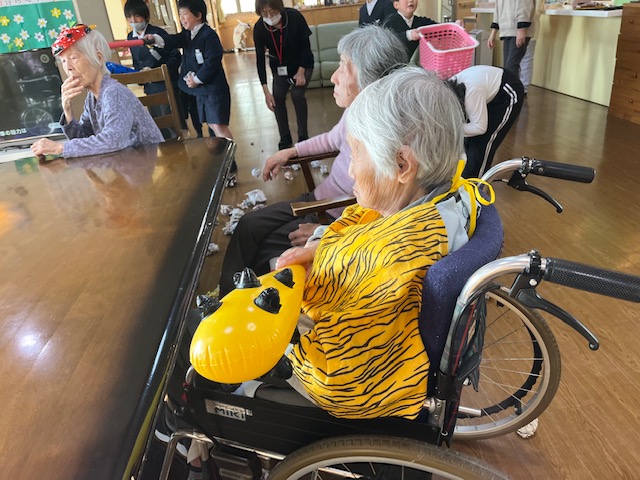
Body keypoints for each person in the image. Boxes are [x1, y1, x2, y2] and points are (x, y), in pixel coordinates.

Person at [273, 66, 493, 419]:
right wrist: (321, 249)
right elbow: (362, 231)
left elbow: (341, 374)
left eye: (356, 154)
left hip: (346, 382)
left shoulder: (391, 255)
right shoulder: (446, 199)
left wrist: (282, 344)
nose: (349, 170)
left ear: (402, 164)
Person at [218, 25, 408, 296]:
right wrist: (290, 152)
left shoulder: (386, 134)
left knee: (263, 253)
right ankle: (225, 301)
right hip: (319, 200)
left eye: (344, 67)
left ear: (370, 81)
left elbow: (386, 211)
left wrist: (327, 232)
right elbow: (332, 139)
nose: (334, 76)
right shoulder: (358, 111)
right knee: (248, 226)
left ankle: (238, 304)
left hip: (334, 214)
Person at [30, 24, 163, 159]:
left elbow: (113, 141)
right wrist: (67, 110)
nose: (68, 67)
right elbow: (84, 139)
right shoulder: (92, 97)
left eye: (73, 58)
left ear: (98, 58)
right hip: (126, 163)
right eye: (63, 61)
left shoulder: (114, 92)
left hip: (151, 163)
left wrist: (61, 147)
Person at [147, 0, 237, 179]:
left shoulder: (209, 35)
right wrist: (155, 39)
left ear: (198, 15)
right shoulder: (188, 34)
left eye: (184, 14)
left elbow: (213, 61)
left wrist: (196, 79)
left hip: (213, 91)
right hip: (200, 92)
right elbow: (173, 40)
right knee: (212, 126)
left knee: (218, 127)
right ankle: (221, 165)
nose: (181, 18)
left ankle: (231, 167)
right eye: (180, 15)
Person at [253, 0, 315, 150]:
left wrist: (301, 72)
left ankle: (303, 136)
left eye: (272, 12)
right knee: (277, 97)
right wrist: (266, 92)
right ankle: (285, 136)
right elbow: (260, 60)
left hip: (302, 63)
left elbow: (306, 47)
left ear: (279, 8)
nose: (269, 17)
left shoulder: (294, 17)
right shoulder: (260, 28)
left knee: (297, 95)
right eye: (264, 13)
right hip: (280, 67)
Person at [448, 65, 524, 178]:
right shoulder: (447, 92)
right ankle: (465, 176)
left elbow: (479, 128)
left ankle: (475, 182)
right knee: (467, 140)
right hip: (484, 86)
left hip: (507, 91)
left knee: (484, 142)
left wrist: (450, 129)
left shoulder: (471, 94)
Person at [124, 0, 182, 139]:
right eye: (129, 17)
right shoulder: (130, 37)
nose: (133, 21)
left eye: (137, 16)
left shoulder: (157, 33)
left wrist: (160, 72)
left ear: (145, 16)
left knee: (170, 121)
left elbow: (175, 56)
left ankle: (177, 145)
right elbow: (136, 61)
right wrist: (140, 75)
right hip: (149, 87)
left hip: (165, 85)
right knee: (156, 123)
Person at [487, 0, 535, 79]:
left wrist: (521, 29)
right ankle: (513, 86)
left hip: (518, 30)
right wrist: (493, 32)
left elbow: (525, 5)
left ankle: (514, 87)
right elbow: (497, 9)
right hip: (506, 30)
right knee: (508, 68)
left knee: (511, 67)